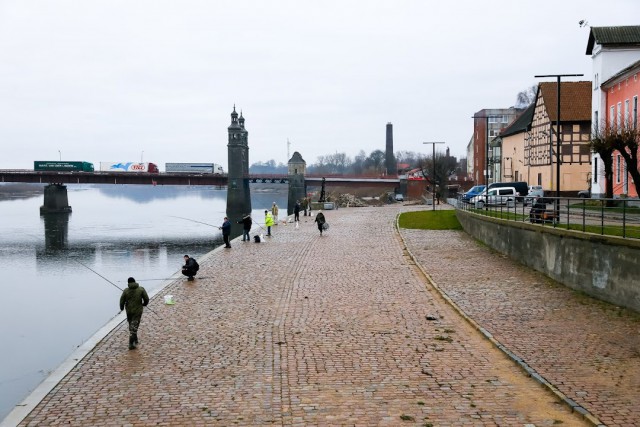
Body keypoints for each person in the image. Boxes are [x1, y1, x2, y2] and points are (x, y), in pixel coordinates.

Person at [119, 277, 149, 350]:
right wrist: (144, 304)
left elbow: (121, 301)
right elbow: (146, 298)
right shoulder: (141, 289)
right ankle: (130, 344)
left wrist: (122, 308)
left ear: (128, 283)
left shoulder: (126, 291)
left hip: (129, 311)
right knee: (134, 326)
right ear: (135, 281)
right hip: (137, 311)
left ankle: (135, 339)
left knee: (131, 325)